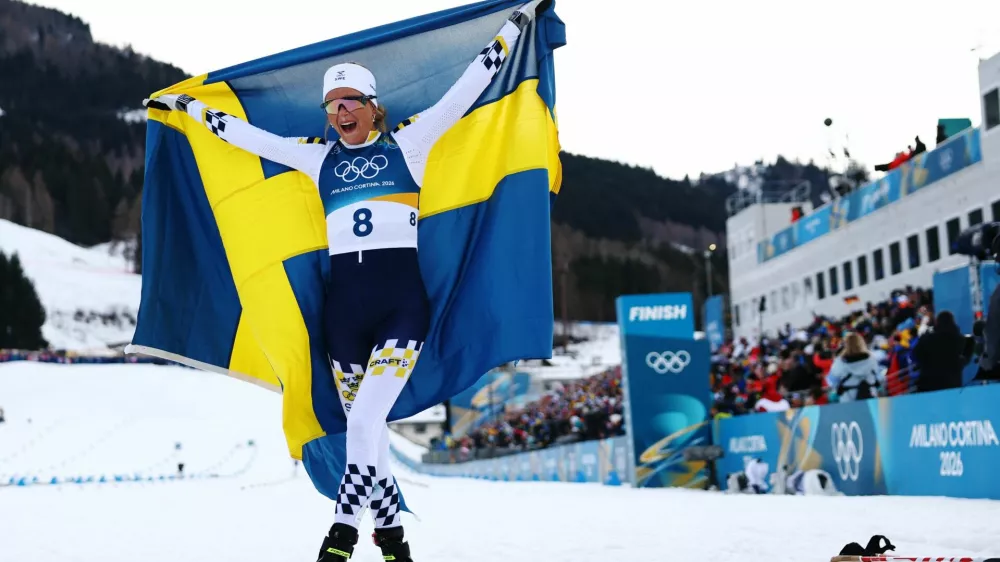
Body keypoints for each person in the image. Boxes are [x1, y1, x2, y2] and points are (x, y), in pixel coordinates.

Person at [144, 2, 549, 561]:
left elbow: (467, 88)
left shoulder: (409, 143)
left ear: (372, 107)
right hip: (344, 322)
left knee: (364, 419)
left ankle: (341, 531)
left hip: (402, 310)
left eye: (349, 104)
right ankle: (393, 540)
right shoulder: (318, 159)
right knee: (368, 434)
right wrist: (187, 107)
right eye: (331, 107)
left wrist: (517, 22)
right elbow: (247, 138)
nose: (339, 114)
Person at [913, 311, 973, 393]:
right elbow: (966, 357)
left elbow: (916, 355)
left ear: (937, 322)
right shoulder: (959, 340)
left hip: (928, 383)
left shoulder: (927, 339)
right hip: (952, 383)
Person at [825, 332, 884, 402]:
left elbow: (831, 382)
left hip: (849, 403)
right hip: (870, 400)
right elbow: (879, 378)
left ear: (845, 345)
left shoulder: (839, 363)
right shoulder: (871, 359)